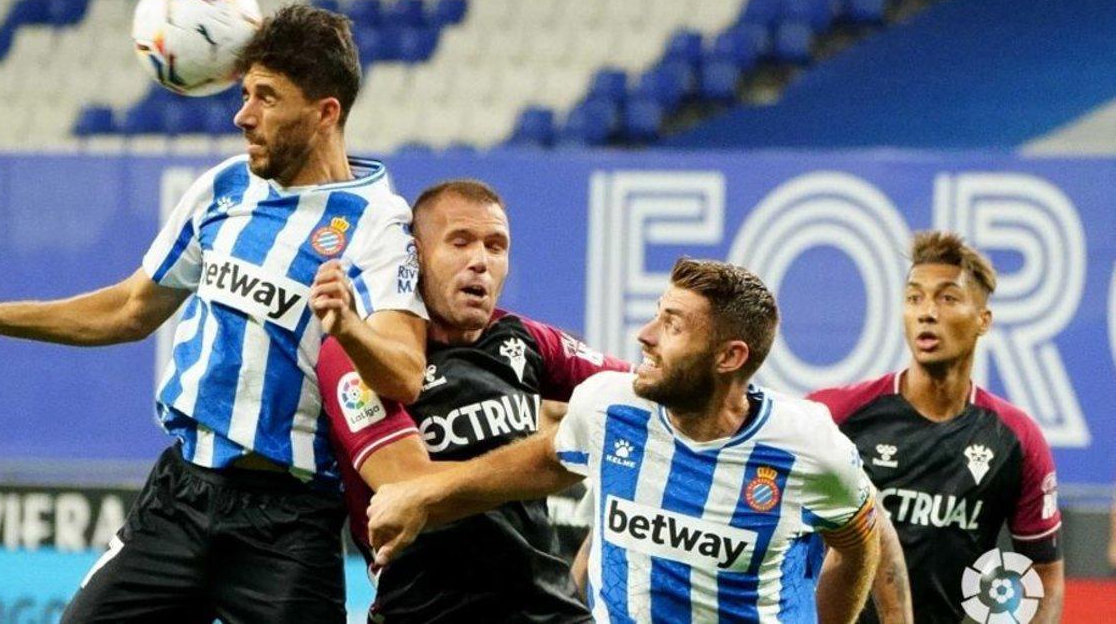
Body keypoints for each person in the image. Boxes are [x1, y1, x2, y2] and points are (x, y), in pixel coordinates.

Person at [0, 4, 426, 623]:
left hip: (288, 523)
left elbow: (403, 373)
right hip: (182, 497)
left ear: (325, 113)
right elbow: (134, 307)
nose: (243, 115)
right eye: (244, 93)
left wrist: (348, 325)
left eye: (266, 97)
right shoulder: (224, 188)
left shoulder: (378, 221)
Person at [368, 257, 882, 623]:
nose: (645, 334)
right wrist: (427, 495)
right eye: (657, 313)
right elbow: (545, 461)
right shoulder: (610, 406)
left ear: (729, 357)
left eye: (672, 325)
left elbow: (861, 542)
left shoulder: (808, 447)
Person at [316, 179, 630, 622]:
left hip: (546, 609)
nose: (480, 262)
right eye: (459, 242)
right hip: (428, 608)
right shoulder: (360, 353)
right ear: (416, 256)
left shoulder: (527, 340)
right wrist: (551, 459)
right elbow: (411, 486)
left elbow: (641, 392)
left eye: (495, 246)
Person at [808, 231, 1064, 624]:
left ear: (983, 320)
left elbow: (1043, 574)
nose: (927, 312)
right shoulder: (836, 414)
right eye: (914, 298)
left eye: (947, 298)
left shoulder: (1016, 439)